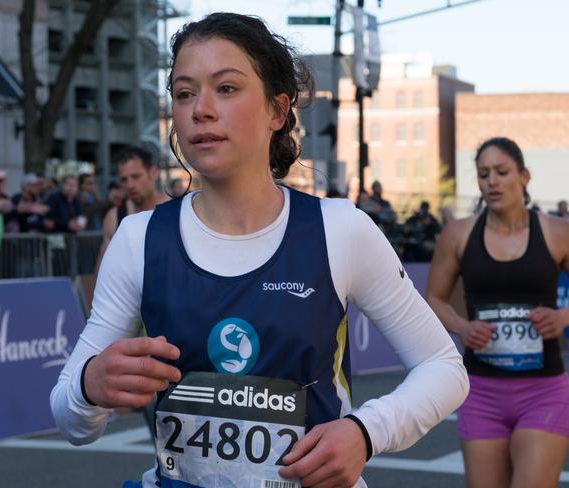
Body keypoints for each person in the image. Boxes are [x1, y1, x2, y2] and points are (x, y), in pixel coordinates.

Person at [51, 13, 468, 488]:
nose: (200, 109)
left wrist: (364, 432)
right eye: (184, 93)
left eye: (226, 88)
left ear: (277, 109)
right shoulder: (138, 238)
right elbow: (70, 418)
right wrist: (90, 385)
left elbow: (443, 368)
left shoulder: (339, 230)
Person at [426, 136, 569, 488]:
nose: (492, 181)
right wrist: (462, 327)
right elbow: (433, 299)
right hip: (481, 392)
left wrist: (564, 318)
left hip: (543, 390)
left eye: (502, 171)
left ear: (525, 176)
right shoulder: (458, 234)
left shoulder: (557, 233)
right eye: (483, 174)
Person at [98, 146, 169, 260]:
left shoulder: (178, 209)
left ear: (153, 173)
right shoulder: (113, 217)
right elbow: (102, 270)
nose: (130, 185)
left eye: (136, 177)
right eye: (123, 179)